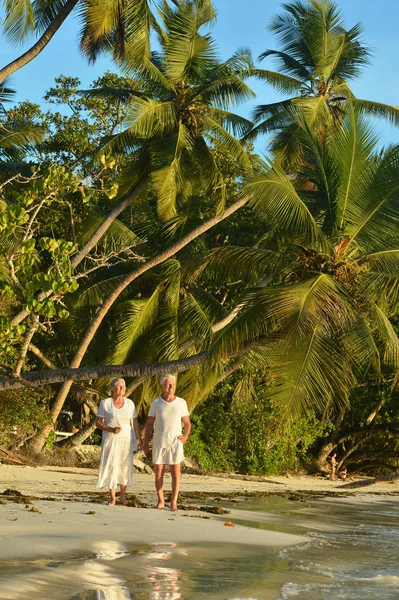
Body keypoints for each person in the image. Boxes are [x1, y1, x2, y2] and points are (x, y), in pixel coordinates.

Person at [142, 374, 191, 512]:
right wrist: (145, 443)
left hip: (175, 442)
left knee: (176, 472)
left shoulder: (181, 402)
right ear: (163, 386)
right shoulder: (156, 402)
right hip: (159, 441)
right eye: (169, 385)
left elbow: (187, 423)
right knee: (159, 472)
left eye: (173, 385)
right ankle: (161, 500)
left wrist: (185, 436)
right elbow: (149, 424)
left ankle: (174, 502)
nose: (171, 387)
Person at [96, 378, 142, 506]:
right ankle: (112, 498)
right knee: (112, 466)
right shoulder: (105, 403)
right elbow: (98, 422)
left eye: (124, 386)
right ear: (112, 388)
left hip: (126, 440)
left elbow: (135, 423)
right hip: (111, 439)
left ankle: (122, 496)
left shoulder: (130, 403)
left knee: (124, 467)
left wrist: (139, 439)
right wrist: (111, 429)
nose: (122, 389)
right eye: (120, 386)